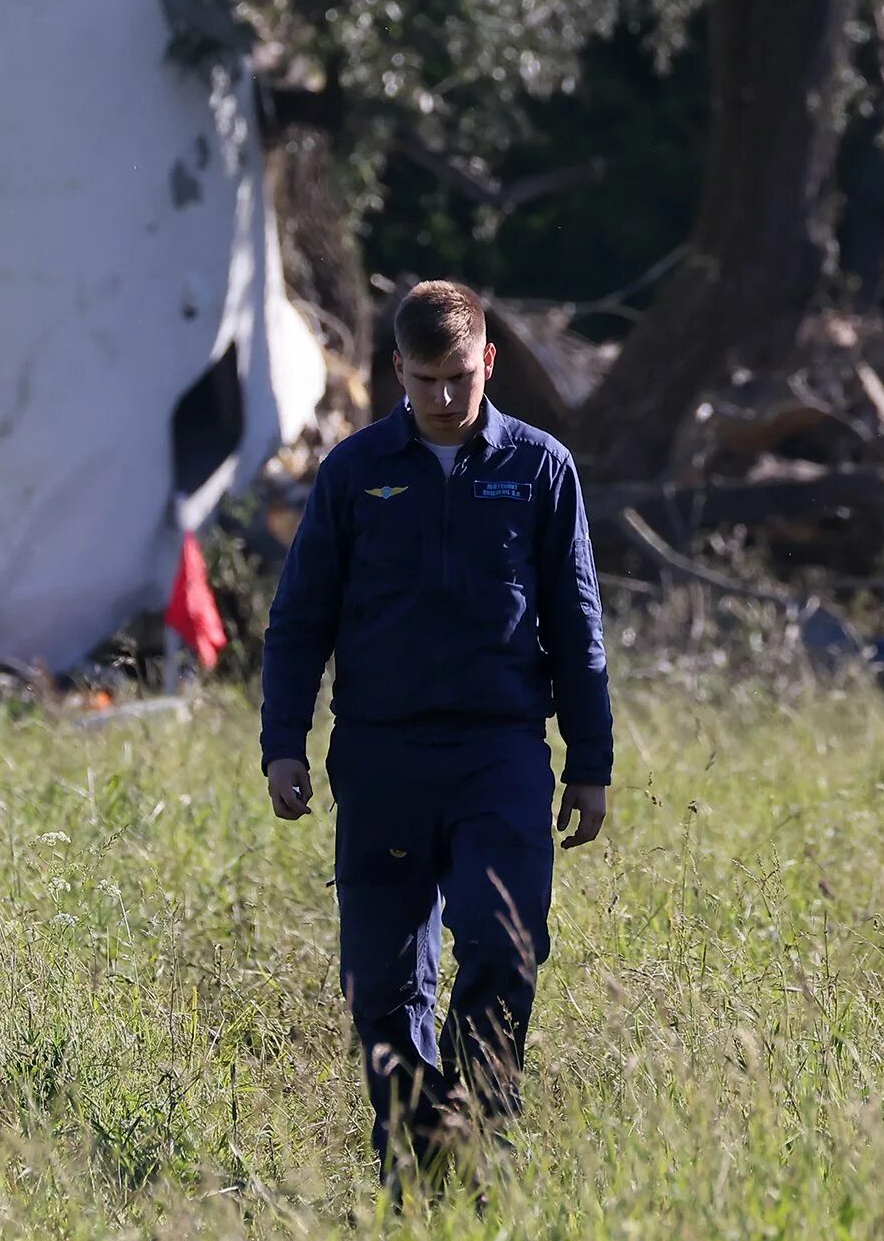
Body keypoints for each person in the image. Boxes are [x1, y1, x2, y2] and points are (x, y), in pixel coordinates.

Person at [260, 278, 612, 1187]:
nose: (445, 399)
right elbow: (302, 618)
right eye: (424, 381)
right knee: (382, 984)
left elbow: (577, 626)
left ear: (488, 362)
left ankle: (481, 1129)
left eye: (459, 377)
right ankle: (416, 1159)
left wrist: (591, 759)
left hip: (499, 754)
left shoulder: (540, 469)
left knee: (504, 939)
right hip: (380, 757)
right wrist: (283, 743)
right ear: (396, 375)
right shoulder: (352, 473)